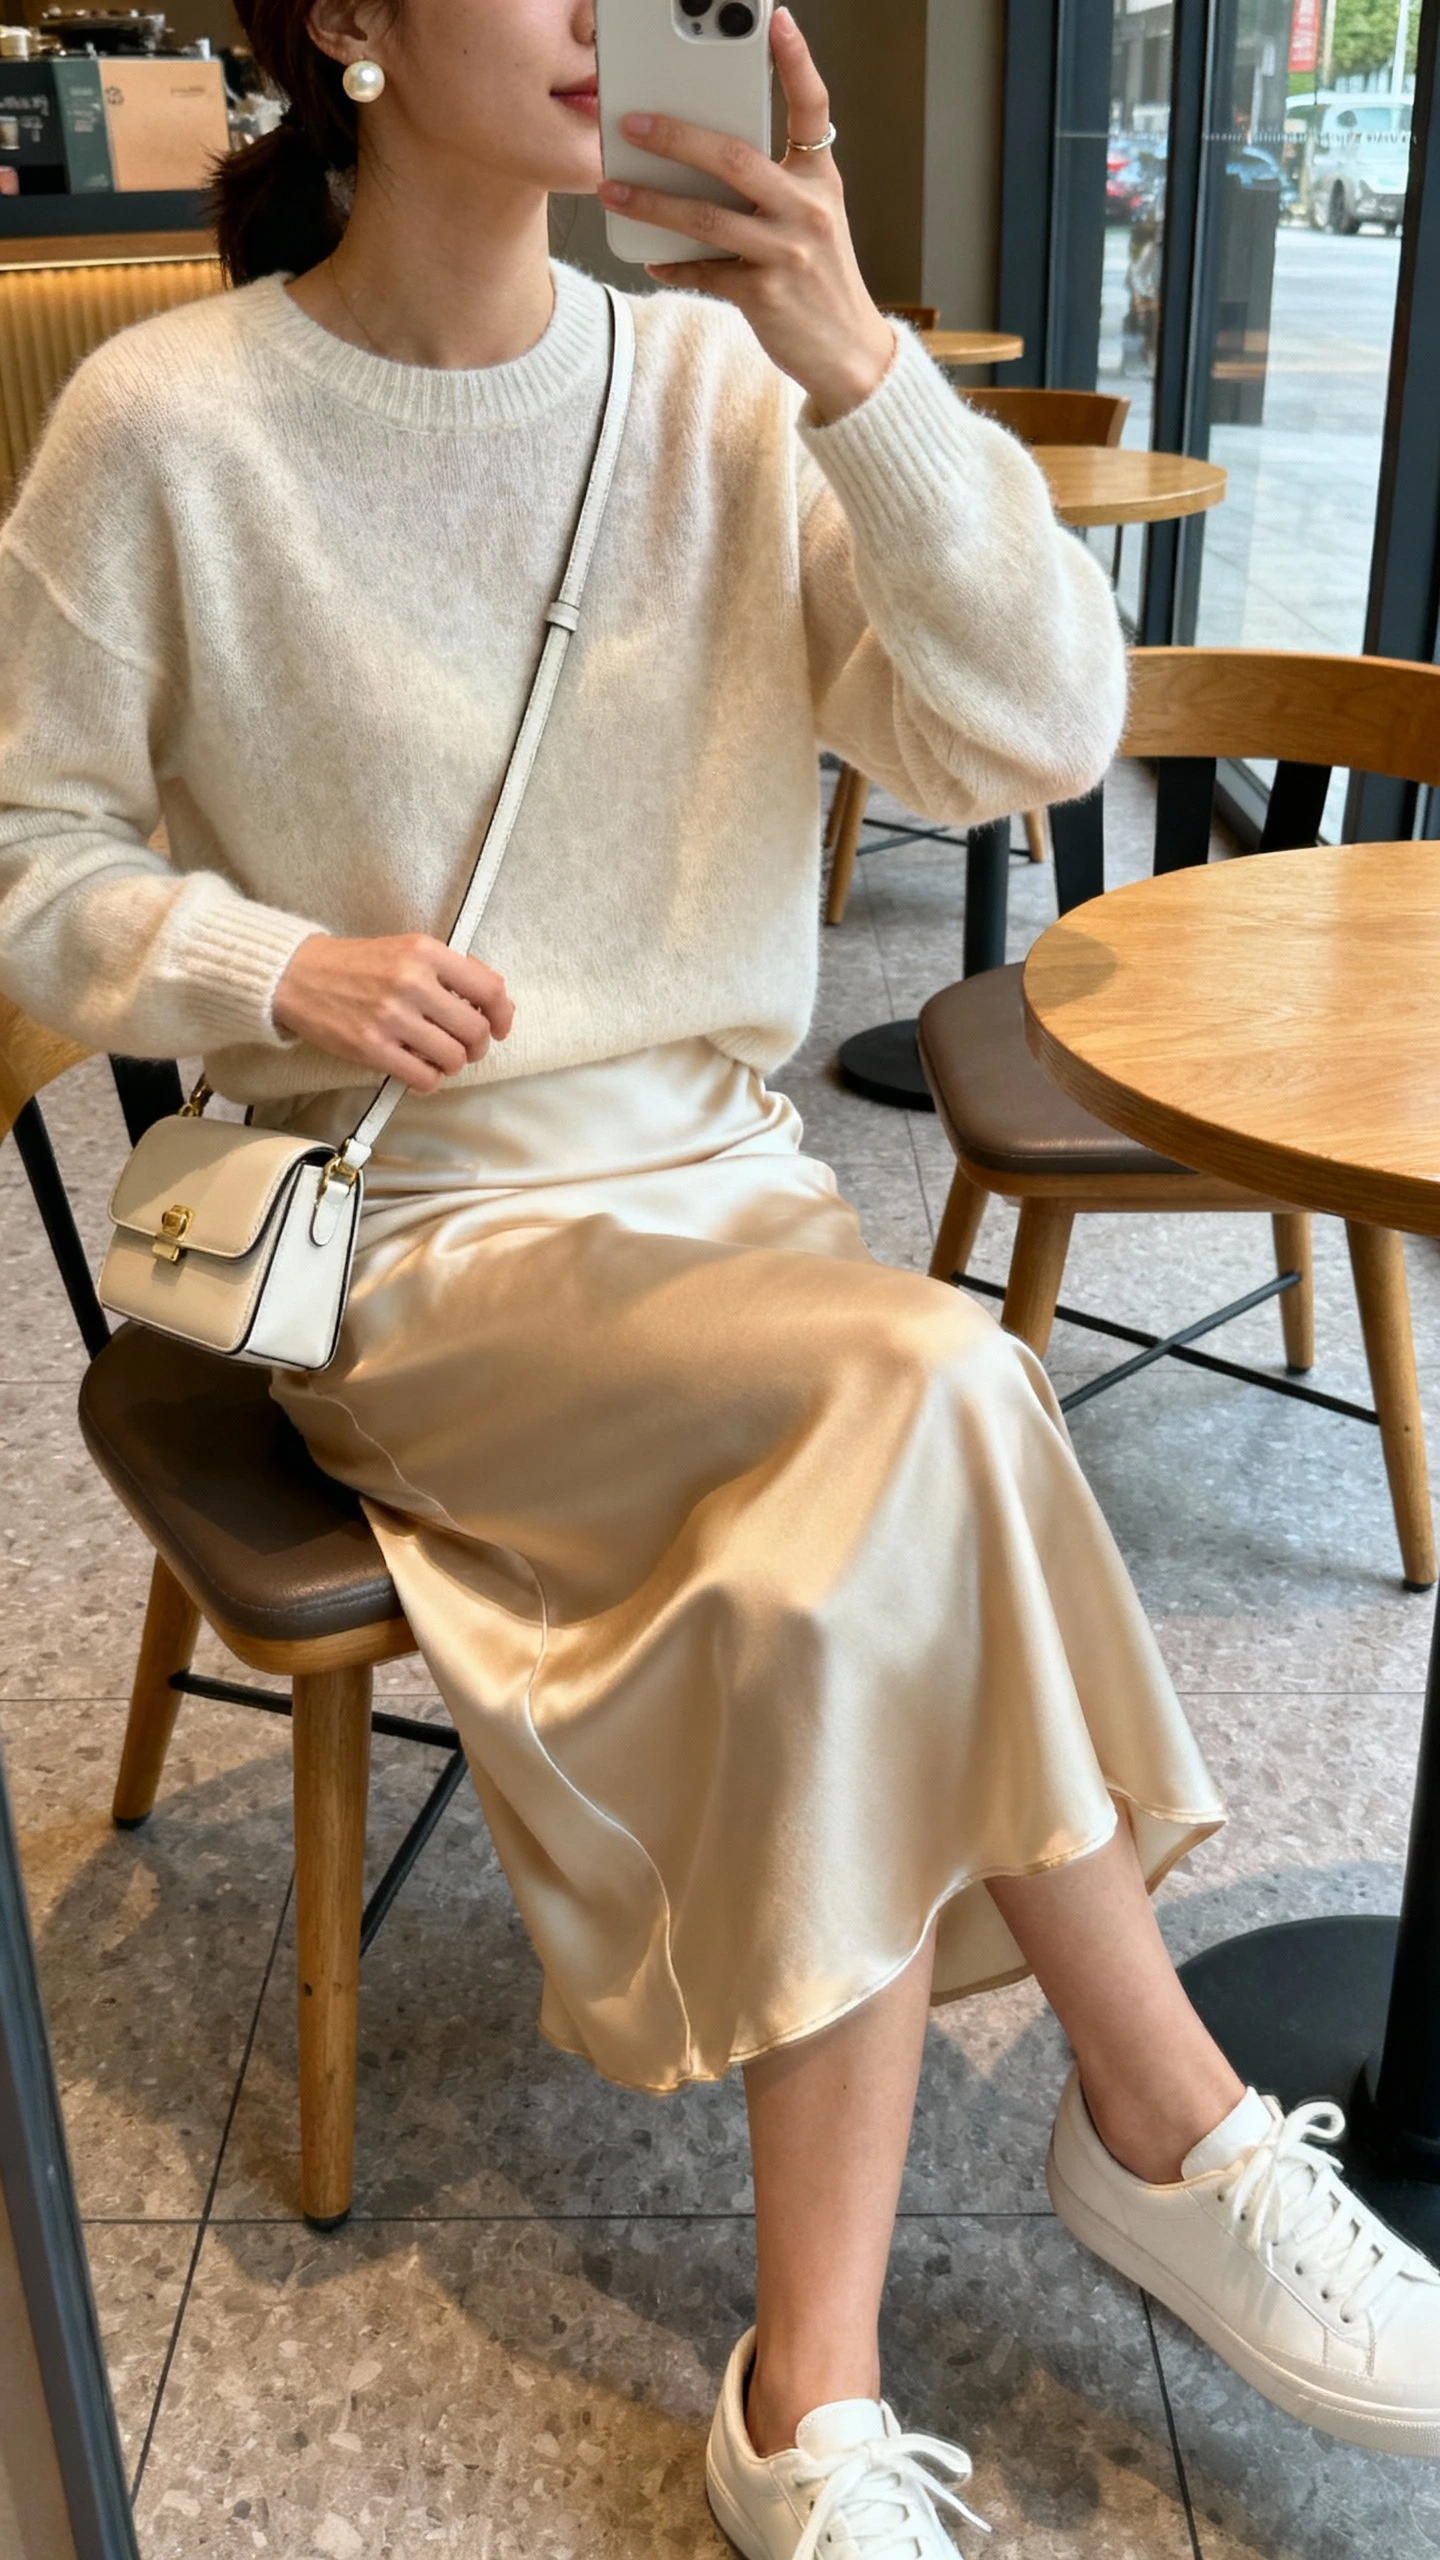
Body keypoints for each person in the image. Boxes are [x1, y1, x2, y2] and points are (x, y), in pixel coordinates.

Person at [1, 0, 1437, 2544]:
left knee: (843, 1528)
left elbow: (1035, 736)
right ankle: (1163, 2118)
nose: (600, 10)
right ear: (345, 21)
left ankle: (815, 2393)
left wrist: (862, 365)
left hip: (725, 1206)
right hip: (423, 1237)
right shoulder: (171, 426)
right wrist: (263, 966)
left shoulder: (724, 395)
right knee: (931, 1393)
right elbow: (29, 856)